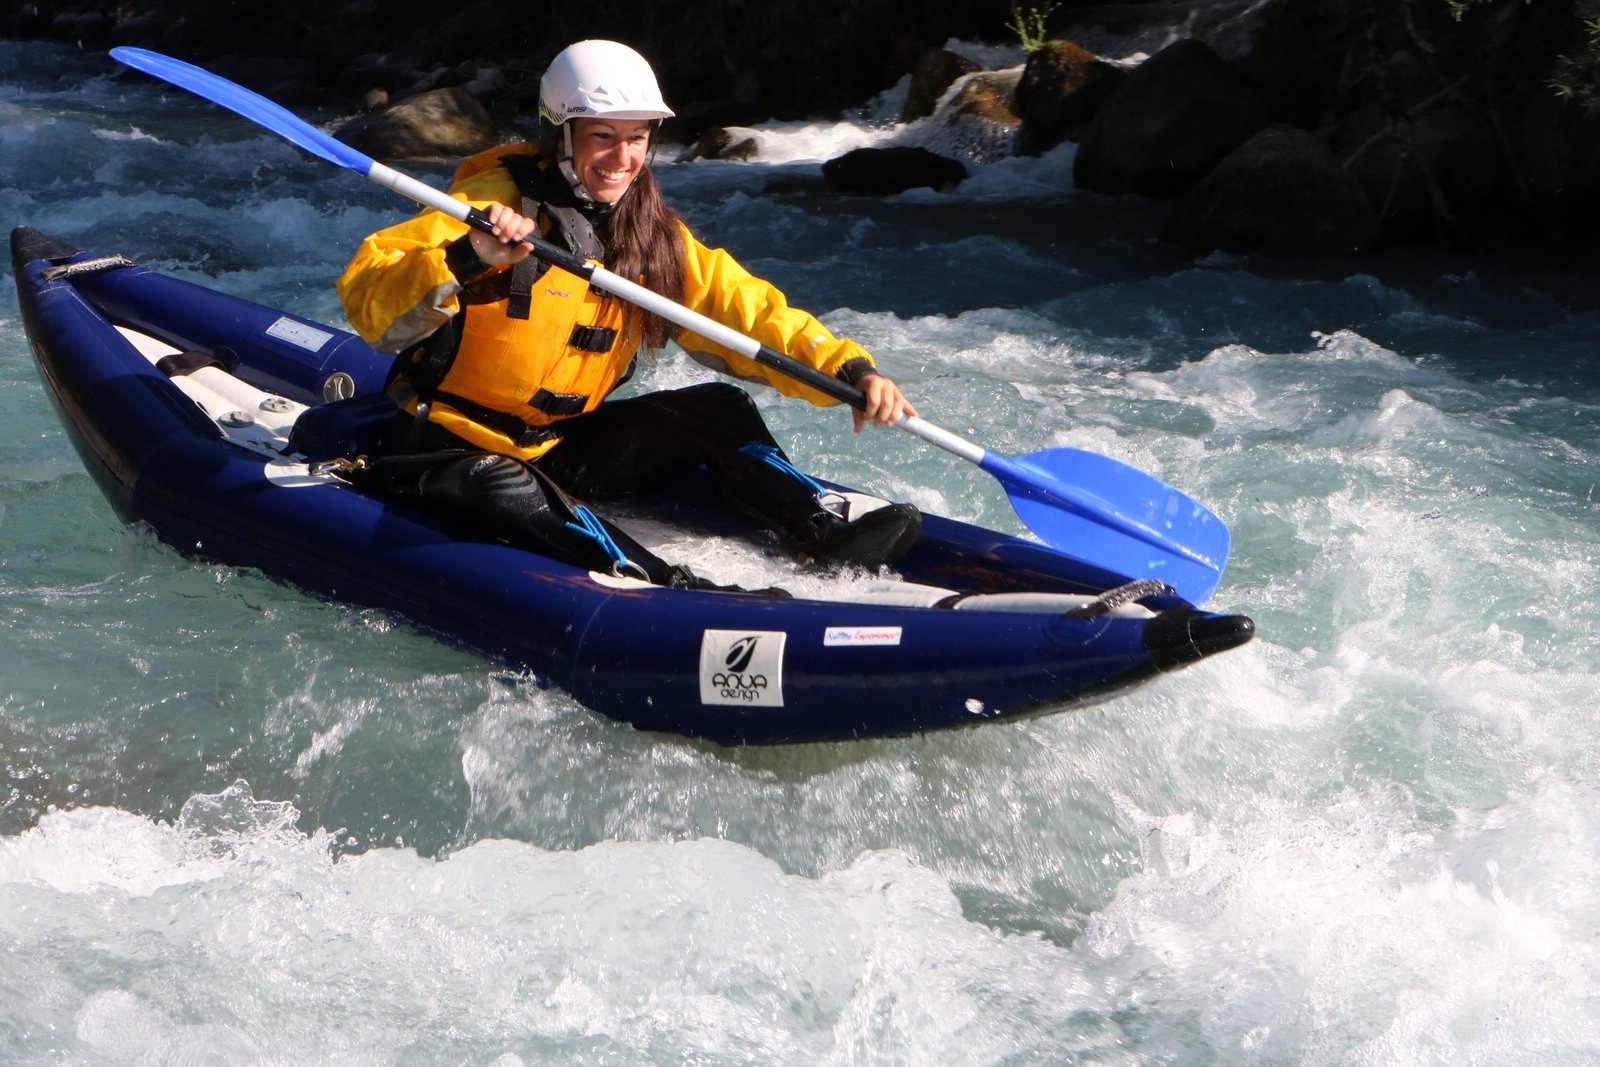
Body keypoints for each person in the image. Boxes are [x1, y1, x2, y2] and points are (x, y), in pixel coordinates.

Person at [337, 39, 921, 589]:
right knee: (496, 480)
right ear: (561, 134)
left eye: (638, 137)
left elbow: (743, 309)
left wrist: (849, 371)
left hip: (561, 446)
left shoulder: (647, 229)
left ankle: (817, 531)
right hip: (449, 450)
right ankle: (670, 589)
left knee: (719, 407)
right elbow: (372, 300)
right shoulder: (490, 204)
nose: (623, 157)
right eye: (603, 136)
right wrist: (470, 255)